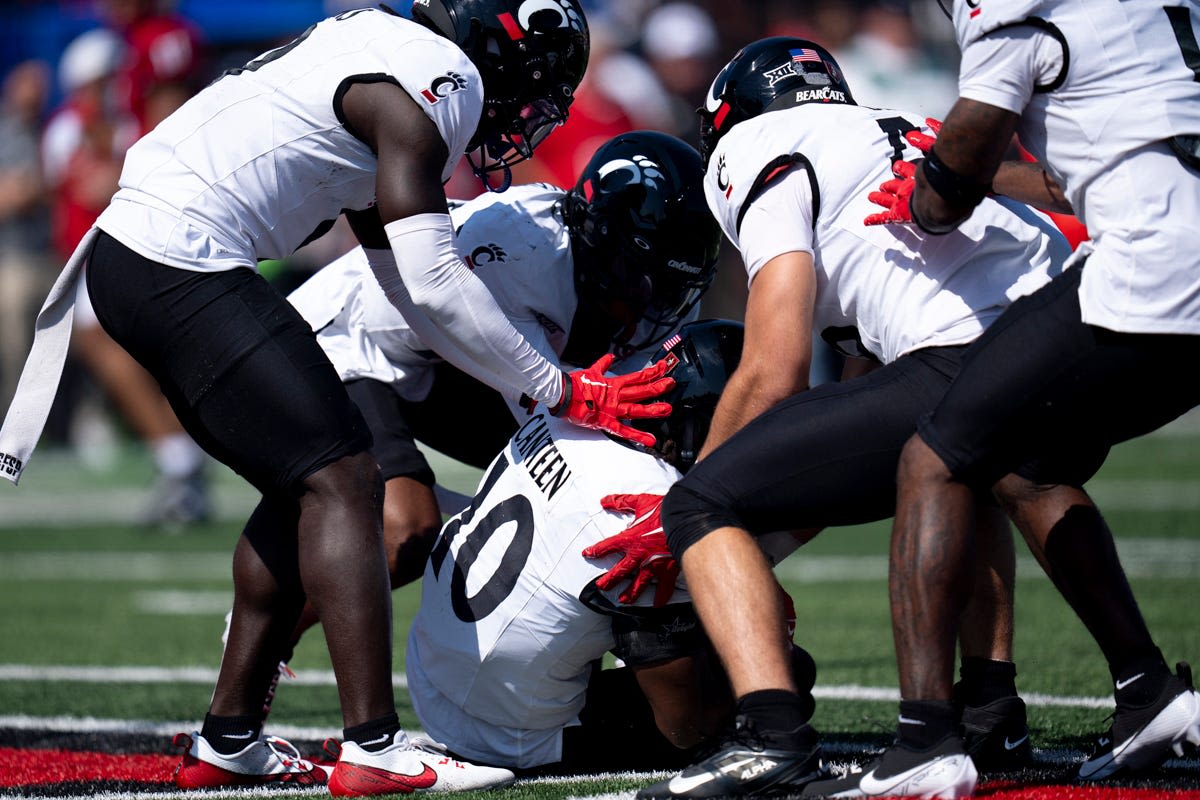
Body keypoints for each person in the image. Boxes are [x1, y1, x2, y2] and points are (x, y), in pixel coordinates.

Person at [0, 2, 666, 795]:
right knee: (346, 478)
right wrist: (564, 387)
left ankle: (229, 738)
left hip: (144, 253)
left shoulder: (375, 52)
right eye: (533, 87)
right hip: (176, 257)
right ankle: (373, 747)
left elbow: (403, 280)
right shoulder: (437, 79)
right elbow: (434, 282)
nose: (528, 112)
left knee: (306, 486)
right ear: (496, 48)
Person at [583, 36, 1073, 800]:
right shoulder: (897, 123)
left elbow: (774, 368)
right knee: (962, 465)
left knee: (703, 501)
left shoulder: (758, 144)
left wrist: (696, 512)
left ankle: (771, 738)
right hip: (1073, 332)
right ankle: (1002, 704)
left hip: (972, 354)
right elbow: (856, 425)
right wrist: (766, 539)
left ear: (730, 121)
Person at [808, 0, 1200, 795]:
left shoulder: (1012, 11)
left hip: (1157, 260)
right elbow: (1057, 173)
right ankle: (1147, 692)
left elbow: (949, 187)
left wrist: (924, 195)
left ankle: (925, 740)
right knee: (1028, 461)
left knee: (937, 451)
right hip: (1176, 238)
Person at [273, 129, 719, 661]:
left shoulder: (655, 285)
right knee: (405, 531)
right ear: (595, 235)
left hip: (444, 365)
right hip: (349, 343)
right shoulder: (517, 250)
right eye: (636, 275)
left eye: (668, 287)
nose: (652, 300)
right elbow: (552, 411)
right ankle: (264, 640)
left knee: (588, 502)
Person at [407, 319, 818, 774]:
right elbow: (685, 726)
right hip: (511, 733)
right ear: (695, 421)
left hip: (433, 669)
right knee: (785, 674)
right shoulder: (642, 512)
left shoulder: (576, 406)